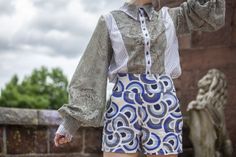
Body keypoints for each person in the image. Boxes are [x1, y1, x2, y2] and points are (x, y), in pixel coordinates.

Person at [54, 0, 225, 156]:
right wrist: (69, 124)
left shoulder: (172, 17)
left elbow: (209, 13)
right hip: (124, 103)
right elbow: (91, 70)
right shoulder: (109, 20)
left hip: (163, 103)